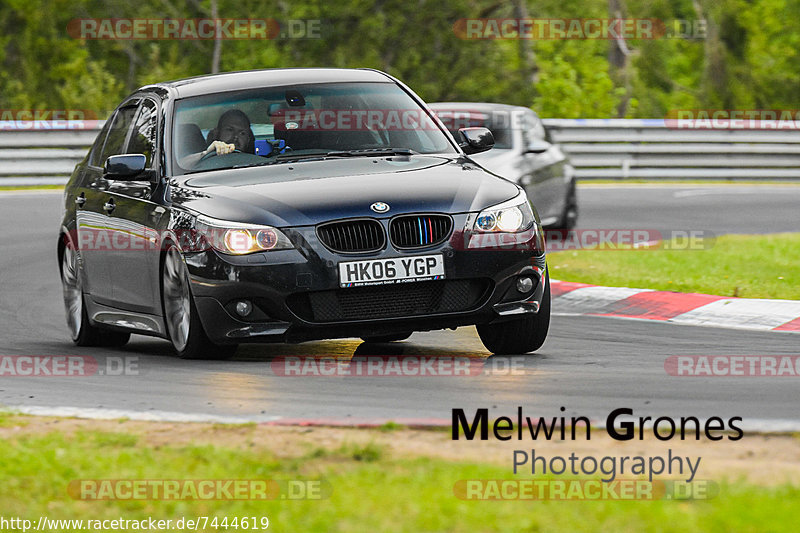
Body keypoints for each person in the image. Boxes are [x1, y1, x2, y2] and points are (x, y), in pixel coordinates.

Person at [180, 109, 255, 167]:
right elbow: (180, 166)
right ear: (217, 133)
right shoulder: (199, 163)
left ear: (248, 140)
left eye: (242, 133)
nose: (236, 137)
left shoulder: (260, 164)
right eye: (230, 130)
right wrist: (206, 154)